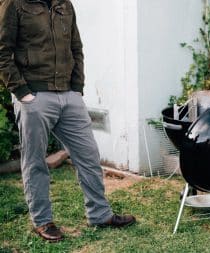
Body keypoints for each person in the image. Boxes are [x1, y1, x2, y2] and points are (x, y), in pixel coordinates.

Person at [0, 0, 136, 242]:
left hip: (68, 96)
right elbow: (2, 51)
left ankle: (100, 214)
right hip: (35, 95)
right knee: (35, 162)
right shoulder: (15, 4)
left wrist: (76, 88)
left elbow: (76, 47)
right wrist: (22, 92)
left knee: (89, 154)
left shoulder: (65, 4)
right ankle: (42, 221)